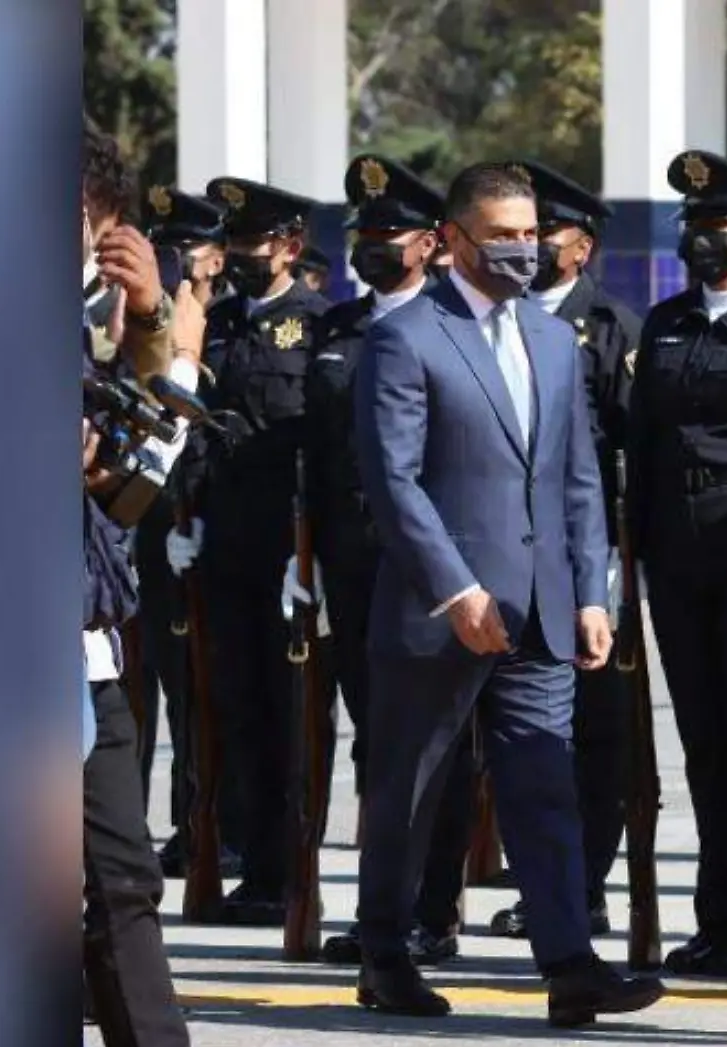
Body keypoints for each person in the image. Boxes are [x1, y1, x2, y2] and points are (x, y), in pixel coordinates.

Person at [350, 162, 664, 1025]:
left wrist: (591, 590)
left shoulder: (556, 340)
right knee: (410, 791)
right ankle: (386, 953)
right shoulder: (406, 337)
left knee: (544, 781)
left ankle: (569, 964)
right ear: (452, 240)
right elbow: (393, 482)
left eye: (531, 234)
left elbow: (575, 475)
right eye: (503, 235)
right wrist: (456, 591)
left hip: (542, 611)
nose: (523, 250)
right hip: (441, 612)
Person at [628, 149, 727, 979]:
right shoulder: (665, 322)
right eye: (690, 224)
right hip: (677, 558)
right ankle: (717, 920)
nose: (698, 237)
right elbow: (644, 443)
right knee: (702, 743)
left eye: (714, 225)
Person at [309, 155, 473, 968]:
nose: (373, 248)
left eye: (390, 235)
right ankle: (384, 911)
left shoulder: (455, 325)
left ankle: (433, 909)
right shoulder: (336, 331)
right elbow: (311, 452)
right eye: (363, 235)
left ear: (431, 245)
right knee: (375, 739)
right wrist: (298, 556)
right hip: (347, 562)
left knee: (437, 739)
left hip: (430, 566)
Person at [166, 176, 335, 926]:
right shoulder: (222, 321)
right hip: (224, 541)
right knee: (233, 707)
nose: (235, 256)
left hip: (287, 549)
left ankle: (289, 871)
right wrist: (186, 514)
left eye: (251, 243)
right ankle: (251, 868)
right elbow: (201, 423)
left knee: (291, 715)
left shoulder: (321, 325)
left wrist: (317, 548)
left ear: (290, 247)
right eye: (230, 242)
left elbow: (320, 443)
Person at [487, 158, 642, 942]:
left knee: (593, 730)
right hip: (511, 557)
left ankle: (589, 883)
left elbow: (622, 451)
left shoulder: (609, 326)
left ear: (582, 248)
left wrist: (607, 558)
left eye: (549, 233)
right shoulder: (496, 321)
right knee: (522, 740)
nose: (535, 246)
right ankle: (545, 886)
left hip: (588, 554)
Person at [80, 122, 194, 1047]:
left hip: (78, 654)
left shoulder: (87, 330)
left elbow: (138, 482)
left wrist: (153, 317)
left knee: (124, 878)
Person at [137, 186, 245, 879]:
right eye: (166, 248)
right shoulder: (148, 322)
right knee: (145, 687)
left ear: (217, 258)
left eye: (188, 250)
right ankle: (162, 824)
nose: (178, 262)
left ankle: (209, 824)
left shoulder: (232, 327)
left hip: (218, 531)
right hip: (150, 525)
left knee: (208, 692)